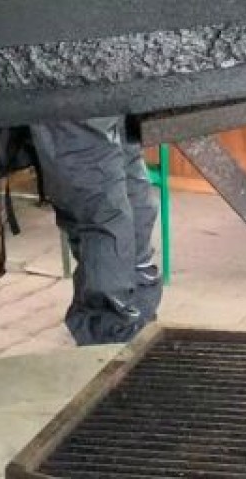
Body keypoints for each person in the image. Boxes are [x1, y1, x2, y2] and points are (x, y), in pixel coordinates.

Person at [28, 116, 163, 346]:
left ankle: (108, 339)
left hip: (66, 99)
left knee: (99, 215)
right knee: (125, 187)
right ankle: (138, 326)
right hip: (108, 92)